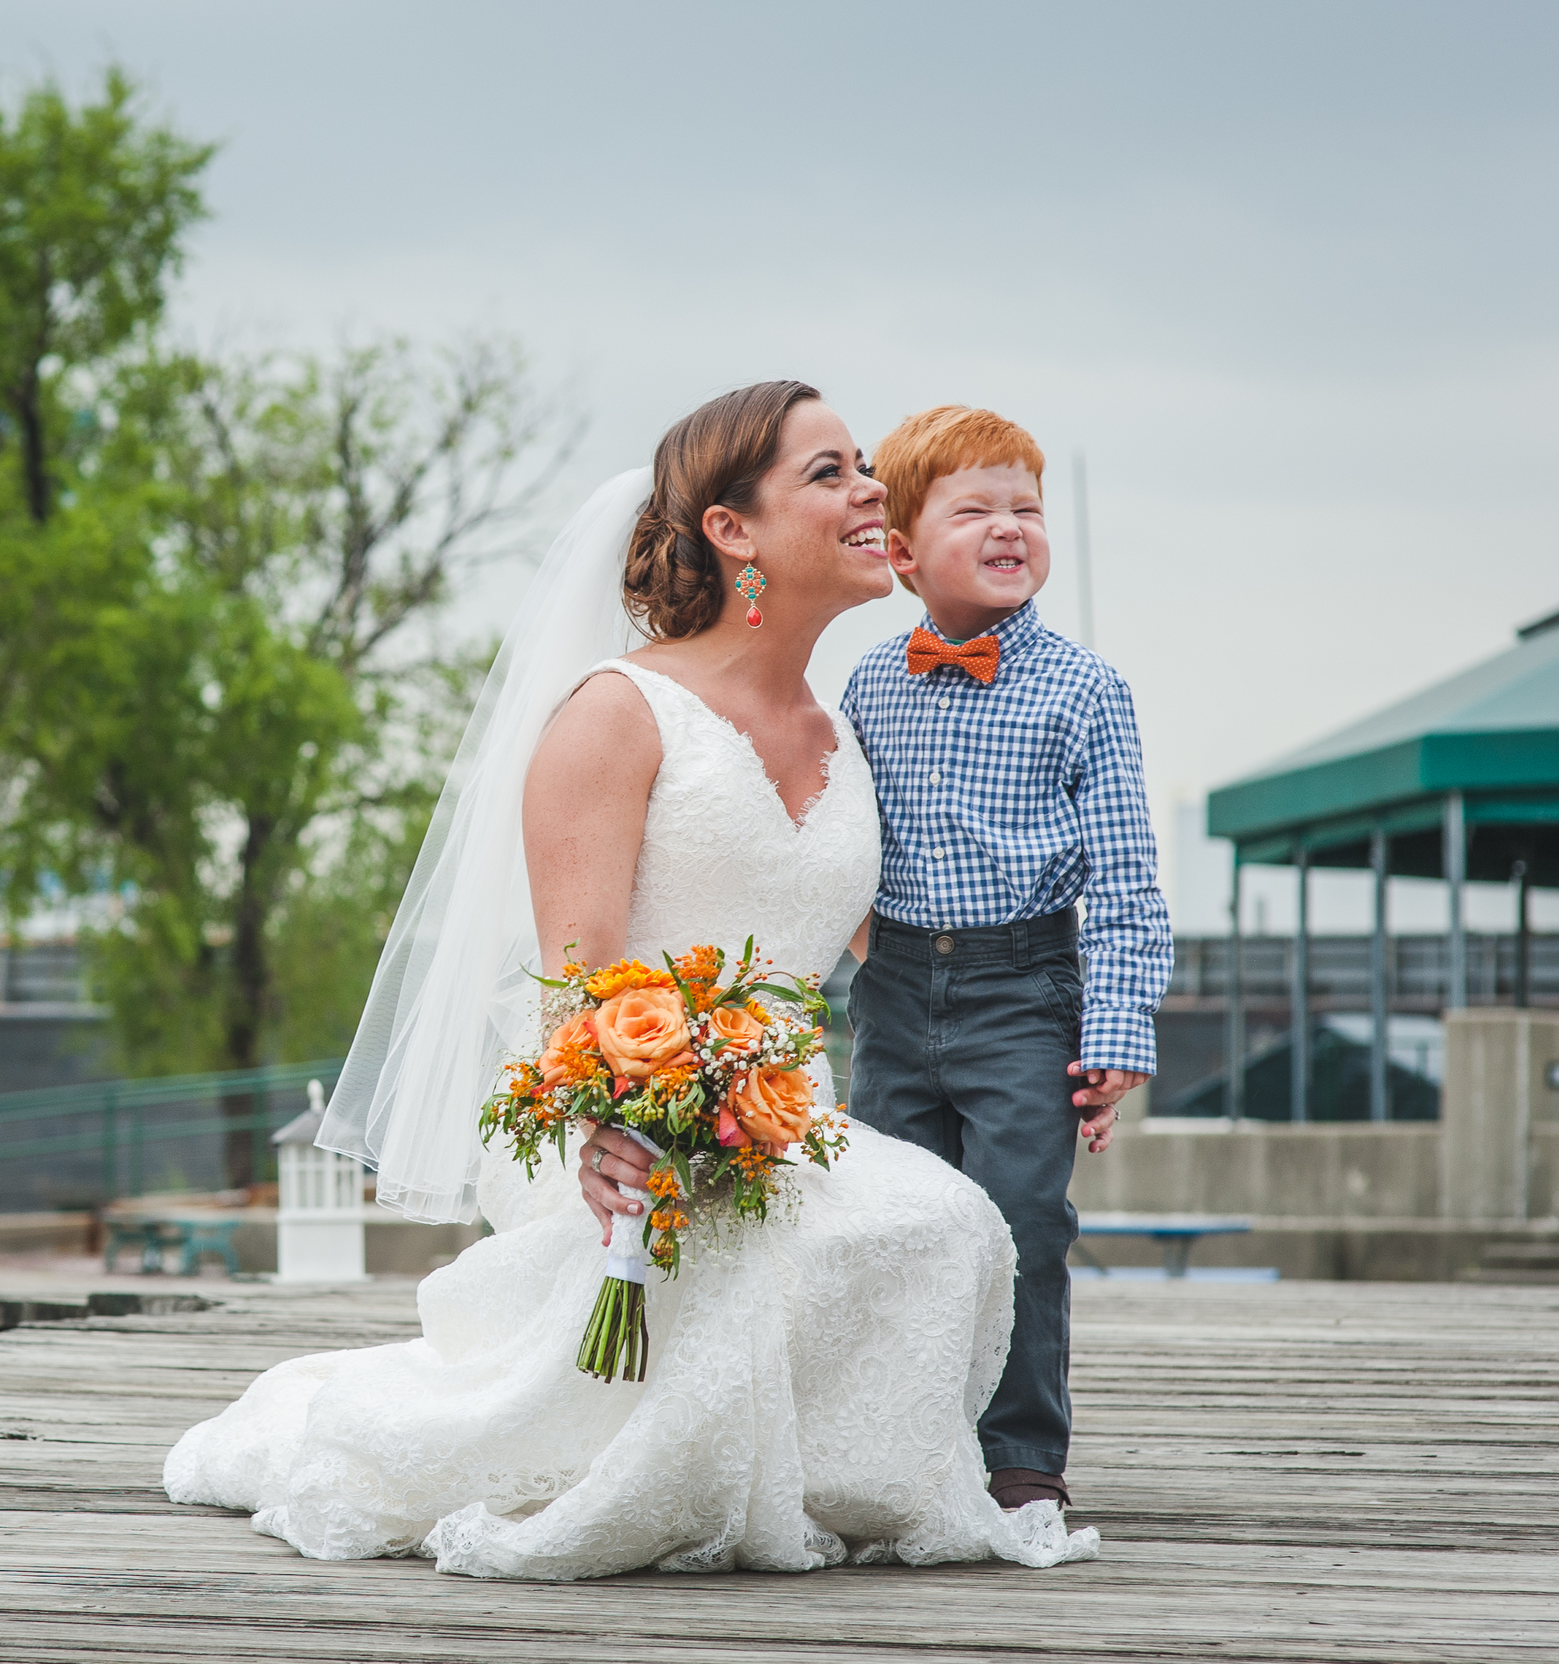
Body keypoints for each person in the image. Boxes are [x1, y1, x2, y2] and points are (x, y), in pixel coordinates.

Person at [163, 382, 1098, 1580]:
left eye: (865, 465)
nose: (871, 488)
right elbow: (578, 976)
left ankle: (871, 1461)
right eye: (828, 472)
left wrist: (1069, 1032)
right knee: (823, 1251)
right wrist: (618, 1119)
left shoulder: (853, 726)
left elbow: (903, 947)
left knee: (952, 1222)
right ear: (732, 528)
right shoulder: (619, 713)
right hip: (627, 1110)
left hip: (796, 1115)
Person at [839, 405, 1169, 1512]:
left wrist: (1112, 1034)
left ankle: (1020, 1458)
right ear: (900, 551)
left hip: (1024, 989)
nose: (1008, 526)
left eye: (1025, 507)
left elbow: (1126, 882)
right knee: (892, 1220)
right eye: (973, 507)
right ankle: (897, 1443)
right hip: (889, 993)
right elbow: (844, 840)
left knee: (1020, 1222)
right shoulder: (867, 686)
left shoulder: (1085, 690)